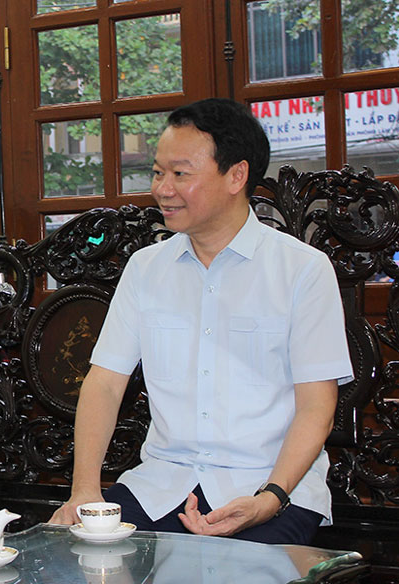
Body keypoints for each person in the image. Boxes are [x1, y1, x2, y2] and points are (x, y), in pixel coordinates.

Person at [48, 98, 353, 545]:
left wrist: (269, 498)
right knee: (74, 564)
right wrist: (85, 491)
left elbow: (316, 406)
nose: (162, 189)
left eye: (180, 174)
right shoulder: (145, 268)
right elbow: (105, 382)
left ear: (236, 175)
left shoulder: (302, 270)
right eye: (157, 172)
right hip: (160, 485)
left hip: (268, 487)